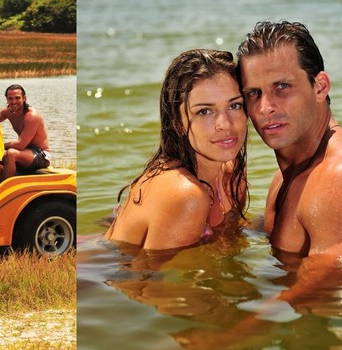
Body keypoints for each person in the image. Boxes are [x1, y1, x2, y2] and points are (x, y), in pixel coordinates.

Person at [237, 20, 342, 259]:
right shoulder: (284, 179)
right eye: (254, 93)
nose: (265, 108)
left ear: (320, 87)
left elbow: (324, 288)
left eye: (282, 86)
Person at [104, 49, 248, 250]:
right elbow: (143, 280)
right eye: (204, 111)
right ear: (177, 123)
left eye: (235, 106)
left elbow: (231, 238)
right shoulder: (185, 194)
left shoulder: (232, 175)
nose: (225, 124)